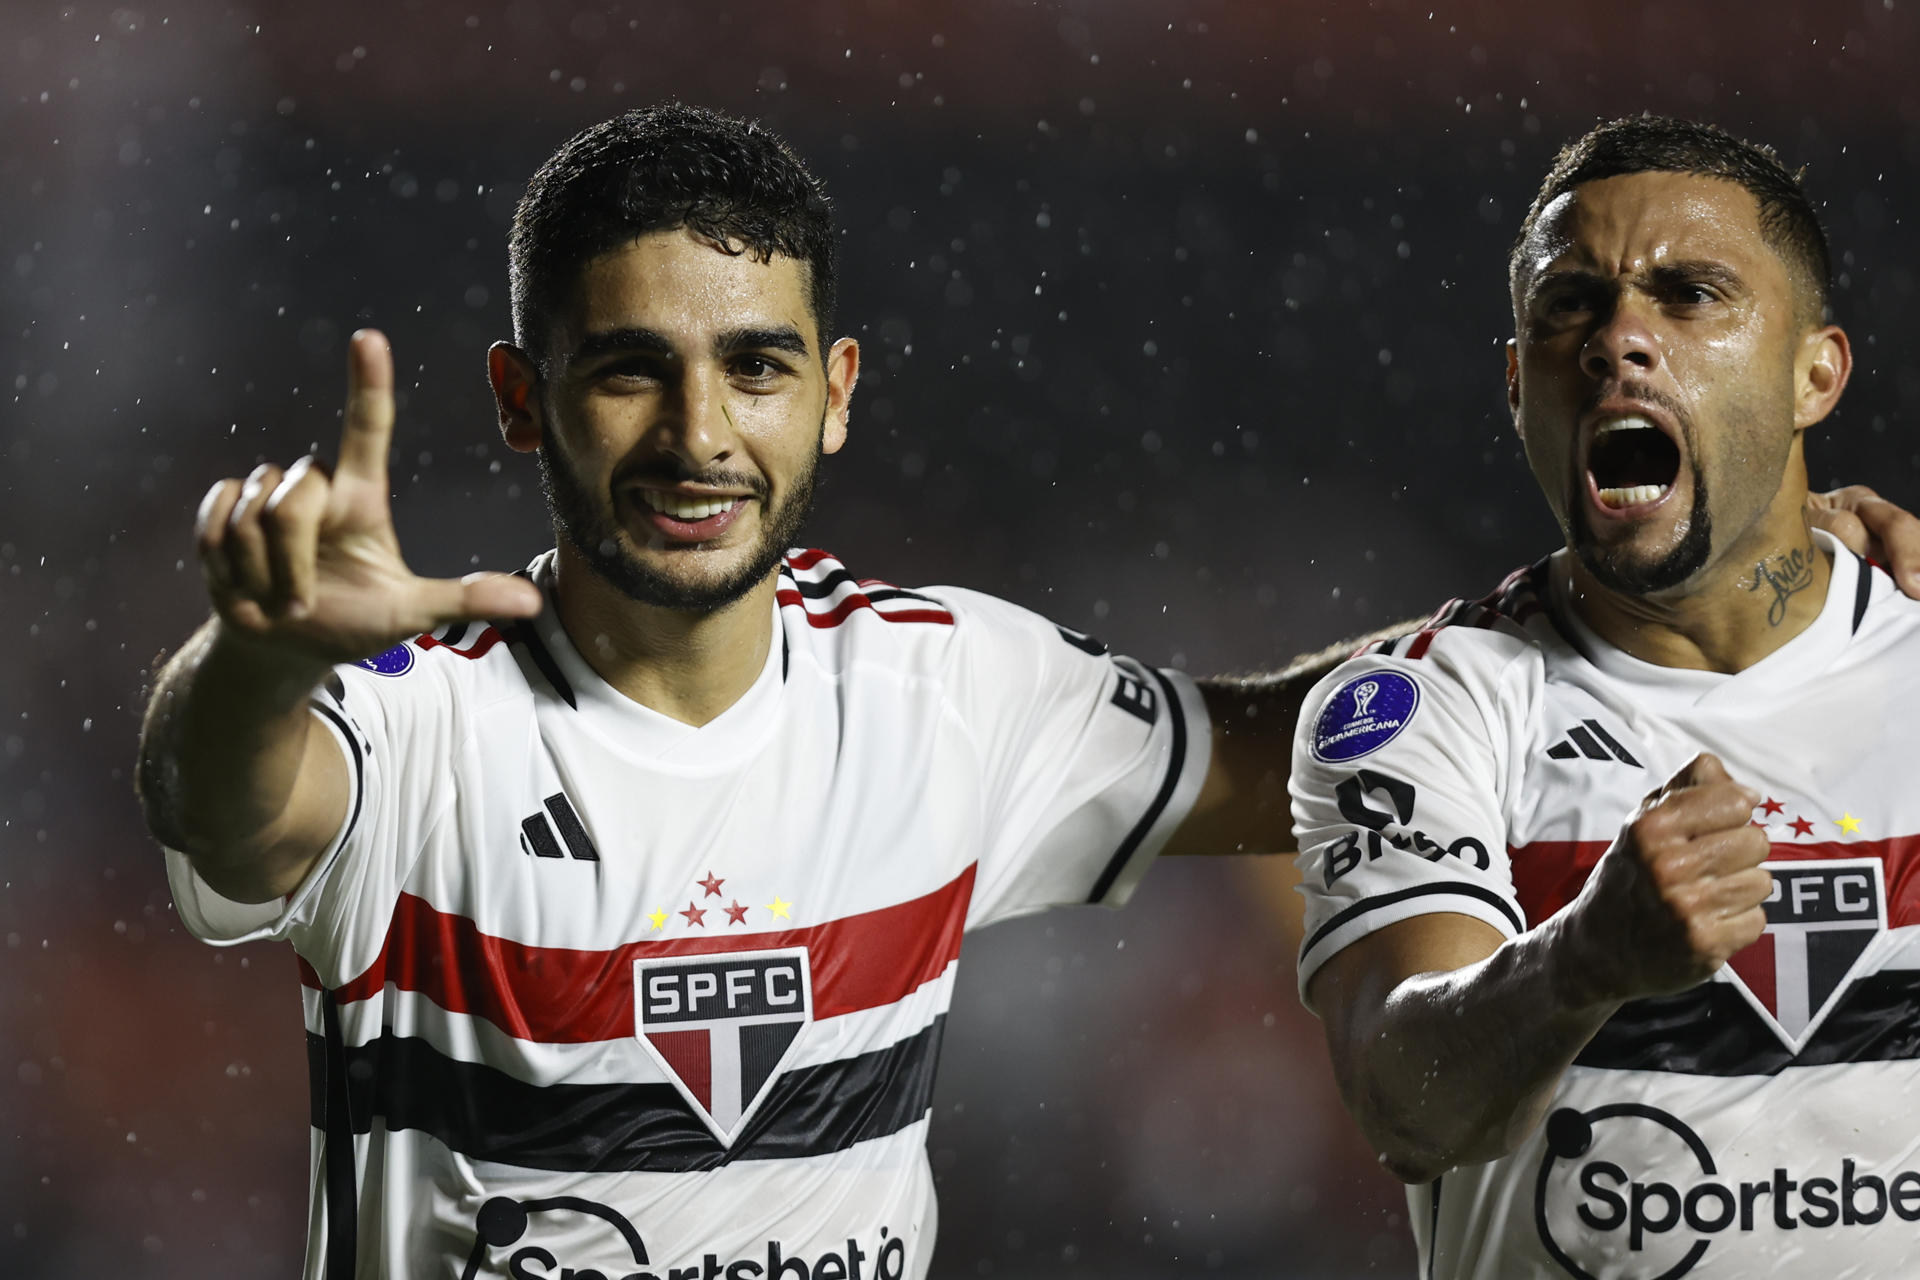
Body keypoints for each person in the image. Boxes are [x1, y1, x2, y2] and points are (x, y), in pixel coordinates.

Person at [137, 105, 1913, 1279]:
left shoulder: (946, 692)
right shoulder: (425, 719)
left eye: (753, 367)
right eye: (627, 374)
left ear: (834, 393)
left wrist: (1762, 573)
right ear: (527, 405)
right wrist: (263, 652)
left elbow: (1287, 744)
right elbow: (220, 800)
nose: (698, 434)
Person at [1291, 114, 1920, 1279]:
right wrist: (1586, 960)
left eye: (1690, 294)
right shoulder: (1424, 708)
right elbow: (1407, 1107)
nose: (1621, 338)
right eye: (1570, 305)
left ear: (1814, 374)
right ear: (1521, 381)